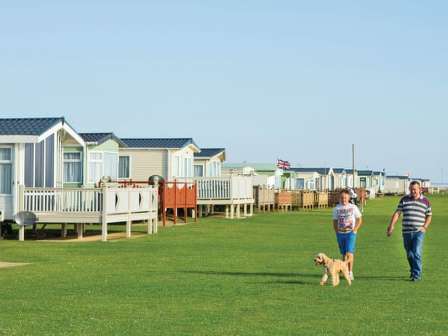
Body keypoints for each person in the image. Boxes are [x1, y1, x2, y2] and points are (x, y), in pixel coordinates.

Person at [386, 181, 432, 281]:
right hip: (406, 232)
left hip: (418, 232)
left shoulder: (426, 201)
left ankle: (417, 275)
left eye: (415, 189)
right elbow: (398, 213)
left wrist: (425, 227)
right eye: (411, 189)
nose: (412, 191)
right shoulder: (404, 199)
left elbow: (429, 215)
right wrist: (391, 226)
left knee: (416, 252)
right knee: (409, 254)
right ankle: (413, 270)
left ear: (420, 189)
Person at [332, 189, 363, 280]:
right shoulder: (336, 209)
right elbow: (334, 221)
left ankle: (350, 272)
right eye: (342, 198)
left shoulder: (353, 207)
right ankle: (344, 270)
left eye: (345, 198)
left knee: (350, 253)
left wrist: (354, 230)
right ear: (339, 198)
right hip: (340, 234)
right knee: (344, 253)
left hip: (350, 233)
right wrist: (337, 232)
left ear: (349, 198)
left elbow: (359, 219)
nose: (343, 199)